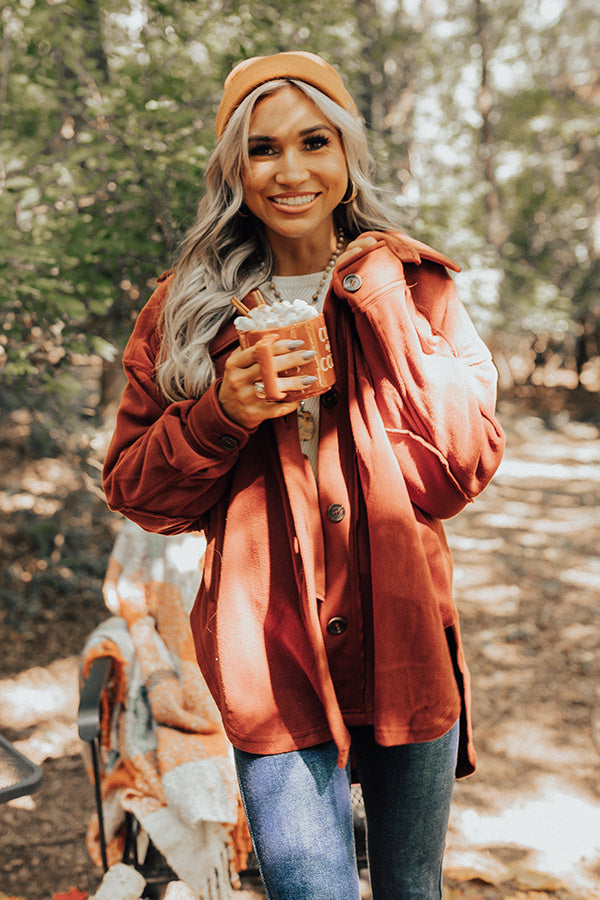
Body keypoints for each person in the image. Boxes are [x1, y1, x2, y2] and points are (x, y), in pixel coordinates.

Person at [103, 51, 505, 900]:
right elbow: (137, 491)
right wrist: (223, 413)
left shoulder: (418, 285)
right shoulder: (184, 308)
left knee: (412, 890)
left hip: (405, 640)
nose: (290, 171)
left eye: (313, 141)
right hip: (266, 653)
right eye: (262, 149)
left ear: (347, 152)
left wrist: (383, 303)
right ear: (232, 169)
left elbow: (458, 471)